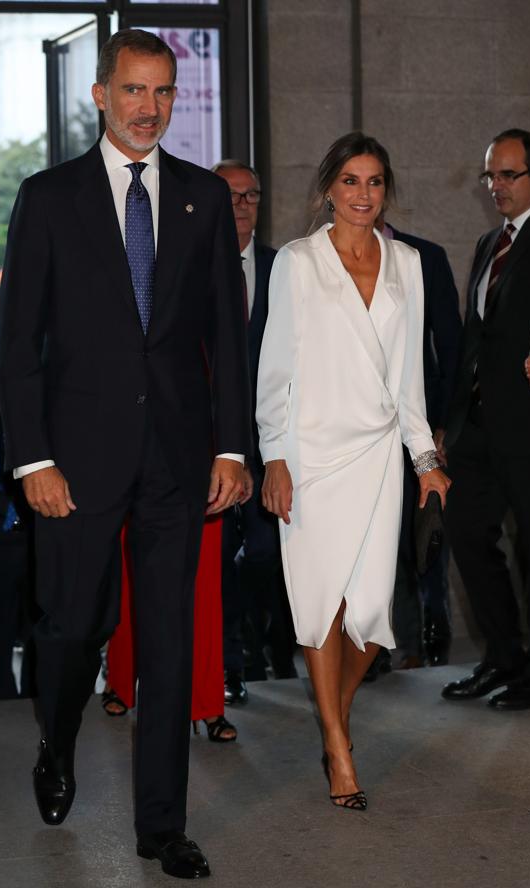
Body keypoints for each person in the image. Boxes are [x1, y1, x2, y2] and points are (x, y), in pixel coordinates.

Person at [0, 30, 250, 880]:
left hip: (178, 460)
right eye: (135, 90)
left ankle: (162, 827)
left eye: (164, 91)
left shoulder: (203, 199)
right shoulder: (48, 197)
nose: (150, 108)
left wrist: (231, 445)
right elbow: (18, 345)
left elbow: (227, 336)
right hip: (73, 463)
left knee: (168, 643)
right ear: (101, 94)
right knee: (72, 626)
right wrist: (33, 460)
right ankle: (58, 738)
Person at [256, 132, 450, 810]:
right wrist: (274, 456)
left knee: (369, 612)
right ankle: (339, 749)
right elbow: (275, 368)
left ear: (385, 190)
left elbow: (409, 378)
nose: (363, 194)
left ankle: (331, 713)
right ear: (327, 190)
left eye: (374, 182)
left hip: (377, 455)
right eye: (350, 181)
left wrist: (426, 460)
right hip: (310, 452)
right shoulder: (298, 262)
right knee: (324, 601)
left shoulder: (408, 263)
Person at [441, 128, 530, 710]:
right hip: (476, 426)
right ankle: (503, 656)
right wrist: (449, 422)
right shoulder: (487, 243)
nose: (495, 185)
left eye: (508, 174)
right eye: (490, 175)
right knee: (467, 534)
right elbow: (473, 339)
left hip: (528, 425)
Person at [211, 159, 295, 704]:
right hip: (211, 441)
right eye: (230, 196)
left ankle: (272, 642)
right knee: (218, 559)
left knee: (266, 553)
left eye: (251, 195)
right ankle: (230, 664)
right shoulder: (190, 264)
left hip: (273, 442)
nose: (242, 205)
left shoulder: (284, 267)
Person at [381, 219, 462, 668]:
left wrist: (444, 424)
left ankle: (433, 634)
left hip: (421, 421)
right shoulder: (322, 256)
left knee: (426, 528)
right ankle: (387, 644)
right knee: (381, 538)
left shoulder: (424, 256)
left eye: (374, 185)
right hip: (359, 428)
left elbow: (450, 345)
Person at [104, 515, 239, 742]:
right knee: (133, 572)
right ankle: (120, 678)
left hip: (200, 493)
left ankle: (207, 701)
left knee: (205, 581)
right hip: (133, 492)